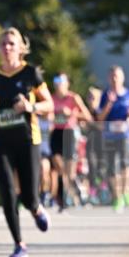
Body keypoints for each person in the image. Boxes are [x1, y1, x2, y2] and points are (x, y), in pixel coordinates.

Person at [0, 27, 52, 257]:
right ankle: (19, 245)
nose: (7, 48)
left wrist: (31, 107)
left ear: (21, 48)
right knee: (8, 193)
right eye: (3, 44)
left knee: (29, 196)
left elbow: (49, 105)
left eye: (12, 44)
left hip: (29, 140)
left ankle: (36, 208)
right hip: (1, 140)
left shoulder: (31, 73)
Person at [97, 65, 129, 212]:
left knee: (126, 166)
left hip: (125, 136)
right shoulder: (105, 95)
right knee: (112, 169)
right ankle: (117, 197)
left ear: (123, 78)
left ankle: (127, 192)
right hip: (109, 137)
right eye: (112, 76)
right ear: (109, 78)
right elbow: (100, 117)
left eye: (117, 76)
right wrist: (109, 104)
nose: (115, 79)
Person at [49, 73, 93, 210]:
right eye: (56, 80)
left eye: (61, 81)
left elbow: (87, 117)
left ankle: (75, 194)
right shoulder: (51, 98)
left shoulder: (73, 98)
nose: (58, 84)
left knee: (70, 171)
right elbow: (46, 114)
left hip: (69, 133)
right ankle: (67, 195)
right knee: (58, 166)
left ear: (67, 83)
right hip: (56, 133)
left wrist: (71, 113)